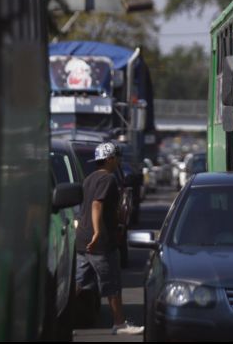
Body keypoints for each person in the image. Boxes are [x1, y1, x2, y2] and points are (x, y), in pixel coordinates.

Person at [75, 142, 144, 335]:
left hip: (82, 239)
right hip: (100, 242)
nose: (119, 161)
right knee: (112, 283)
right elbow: (97, 204)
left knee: (78, 283)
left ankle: (55, 317)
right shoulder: (108, 179)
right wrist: (98, 232)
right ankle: (120, 323)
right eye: (117, 157)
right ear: (110, 159)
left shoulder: (89, 178)